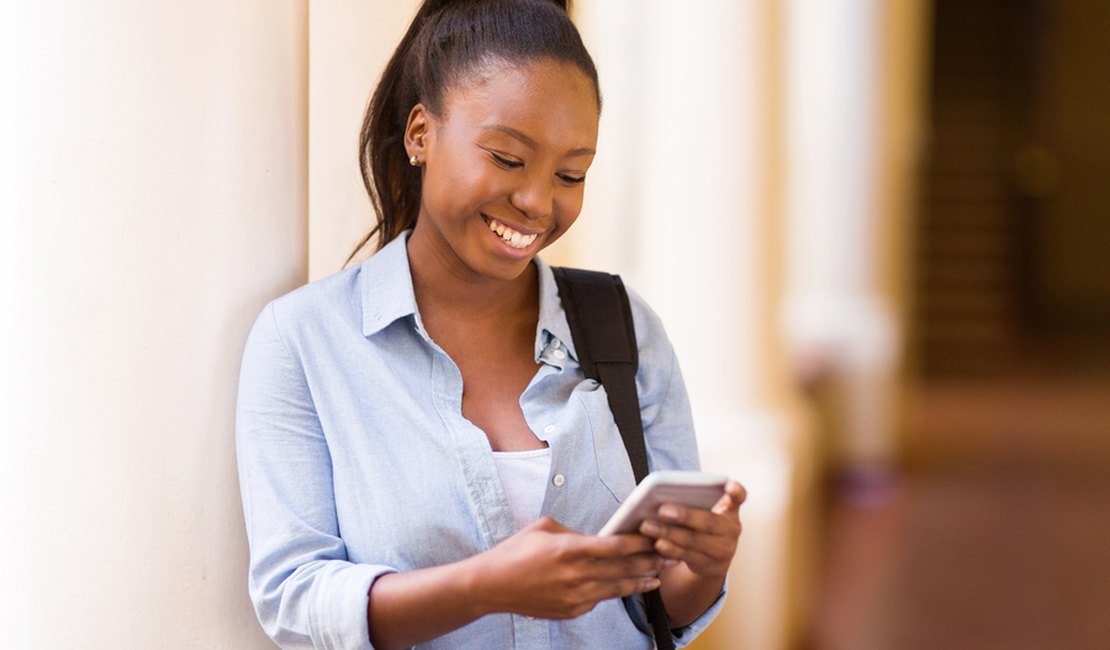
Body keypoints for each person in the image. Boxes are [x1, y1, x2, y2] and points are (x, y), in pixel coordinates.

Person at [235, 0, 745, 648]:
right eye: (507, 158)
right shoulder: (304, 341)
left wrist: (702, 563)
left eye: (570, 174)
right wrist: (484, 586)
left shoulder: (624, 329)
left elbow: (664, 607)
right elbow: (295, 596)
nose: (537, 202)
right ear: (421, 133)